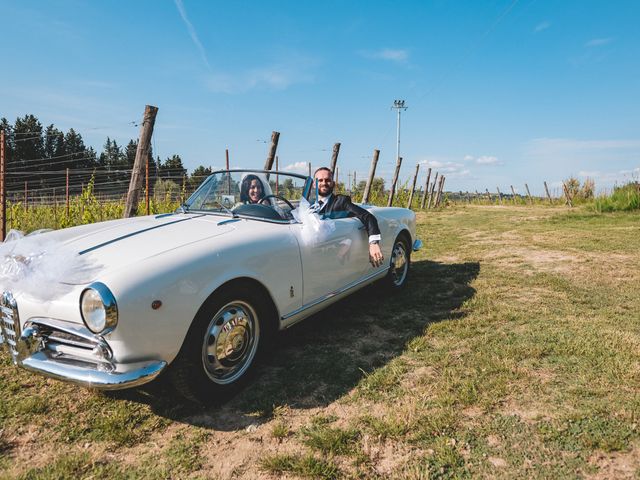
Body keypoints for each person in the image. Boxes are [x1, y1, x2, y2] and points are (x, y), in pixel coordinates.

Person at [313, 167, 384, 268]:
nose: (324, 183)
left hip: (333, 251)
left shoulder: (341, 202)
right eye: (320, 180)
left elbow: (367, 216)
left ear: (332, 183)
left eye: (327, 180)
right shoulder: (307, 204)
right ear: (314, 184)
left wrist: (373, 243)